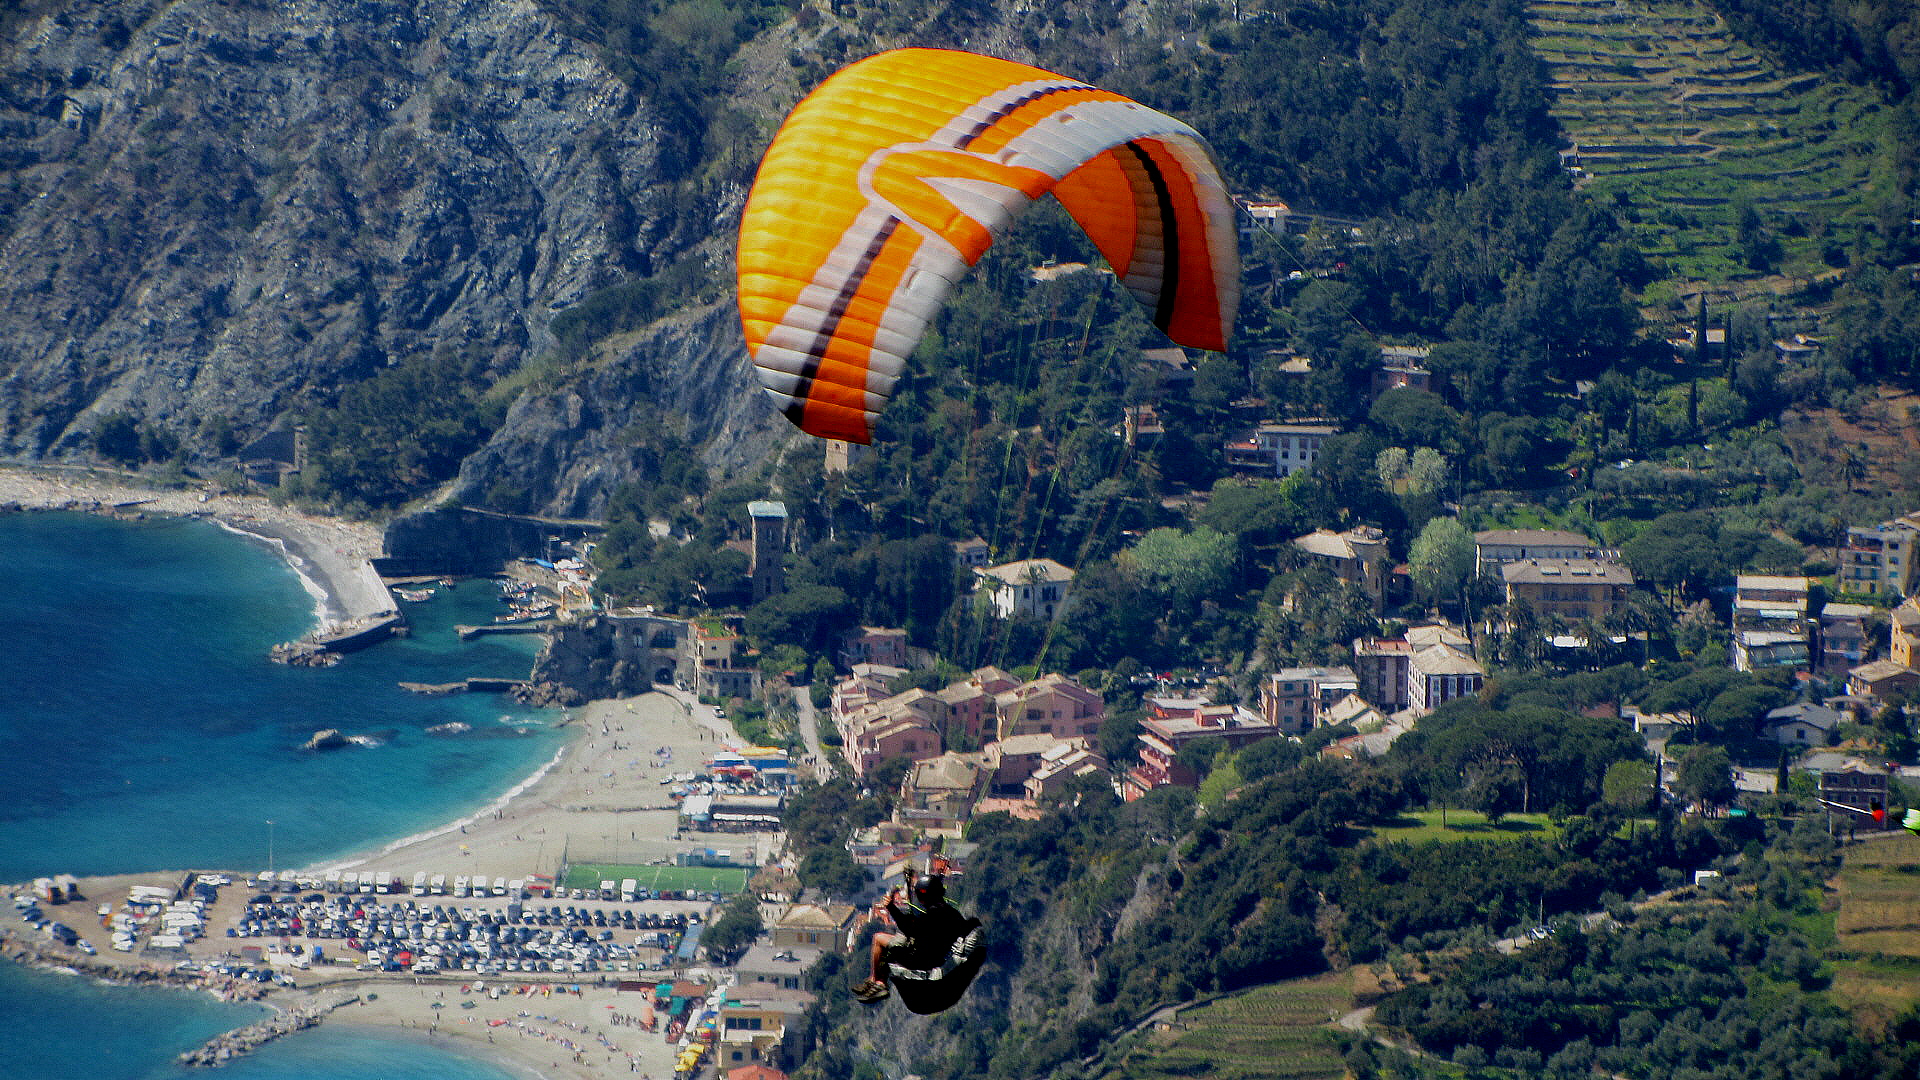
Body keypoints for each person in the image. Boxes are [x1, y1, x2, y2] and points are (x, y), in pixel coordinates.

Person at [854, 856, 979, 1004]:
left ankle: (879, 983)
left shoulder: (932, 916)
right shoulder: (952, 913)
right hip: (938, 957)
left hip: (919, 960)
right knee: (898, 937)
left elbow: (909, 929)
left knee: (879, 939)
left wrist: (891, 907)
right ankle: (874, 979)